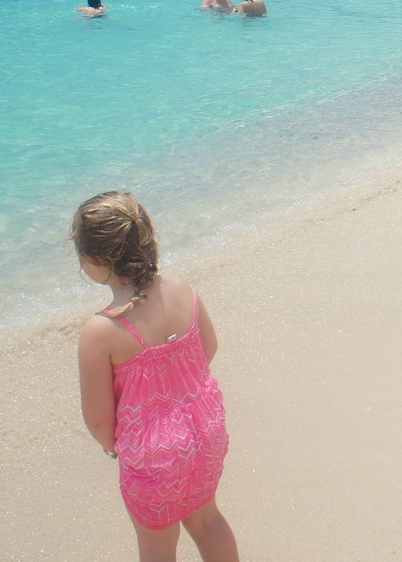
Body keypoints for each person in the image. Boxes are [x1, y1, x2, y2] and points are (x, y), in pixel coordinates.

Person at [71, 192, 238, 562]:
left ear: (93, 262)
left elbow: (99, 418)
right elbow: (207, 349)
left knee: (158, 547)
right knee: (208, 521)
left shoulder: (101, 331)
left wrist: (114, 445)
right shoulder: (180, 288)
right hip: (204, 432)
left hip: (153, 456)